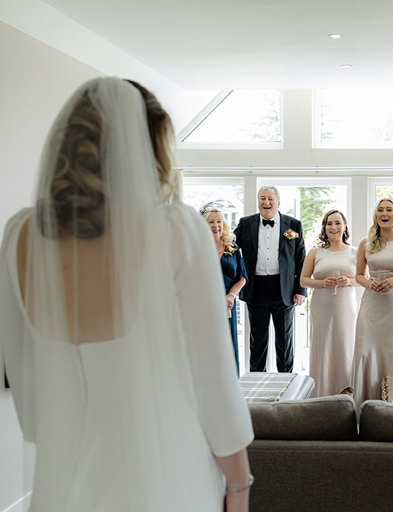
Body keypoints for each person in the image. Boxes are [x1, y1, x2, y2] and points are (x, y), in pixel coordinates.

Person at [0, 78, 254, 511]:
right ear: (151, 150)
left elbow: (29, 398)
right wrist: (239, 485)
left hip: (64, 483)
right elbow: (215, 381)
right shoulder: (177, 229)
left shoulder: (20, 234)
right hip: (170, 472)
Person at [352, 198, 393, 405]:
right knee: (364, 351)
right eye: (380, 209)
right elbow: (359, 275)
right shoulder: (366, 242)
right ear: (376, 215)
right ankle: (364, 402)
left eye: (389, 209)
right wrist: (370, 284)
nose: (385, 213)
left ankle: (392, 404)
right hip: (371, 304)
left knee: (392, 353)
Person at [234, 186, 306, 373]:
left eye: (270, 199)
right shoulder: (245, 223)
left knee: (284, 343)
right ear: (258, 201)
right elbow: (230, 247)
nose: (266, 202)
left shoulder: (294, 225)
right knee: (257, 342)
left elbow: (301, 258)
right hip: (255, 288)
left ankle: (286, 387)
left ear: (278, 202)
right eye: (262, 198)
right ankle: (257, 387)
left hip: (284, 290)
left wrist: (300, 290)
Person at [300, 209, 358, 396]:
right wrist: (322, 283)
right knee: (323, 345)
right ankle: (321, 393)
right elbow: (303, 280)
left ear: (345, 226)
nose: (333, 227)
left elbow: (363, 278)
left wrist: (349, 281)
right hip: (322, 306)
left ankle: (346, 392)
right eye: (329, 223)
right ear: (324, 227)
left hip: (345, 307)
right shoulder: (315, 252)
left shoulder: (354, 252)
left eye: (337, 223)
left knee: (345, 345)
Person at [202, 207, 248, 375]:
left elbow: (242, 277)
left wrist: (231, 295)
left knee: (227, 343)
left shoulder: (232, 248)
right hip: (203, 304)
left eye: (219, 221)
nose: (216, 225)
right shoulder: (196, 247)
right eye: (211, 222)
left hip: (226, 305)